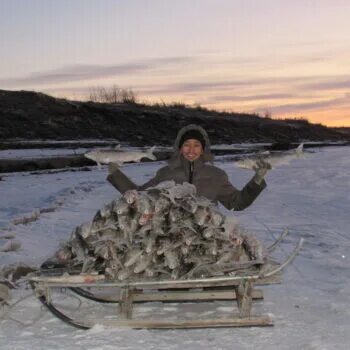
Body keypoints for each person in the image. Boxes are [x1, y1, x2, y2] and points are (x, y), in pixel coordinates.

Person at [107, 124, 269, 211]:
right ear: (180, 147)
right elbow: (140, 196)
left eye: (196, 145)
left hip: (208, 237)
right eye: (187, 145)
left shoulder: (217, 175)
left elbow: (236, 203)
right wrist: (115, 173)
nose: (191, 150)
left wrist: (257, 180)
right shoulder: (165, 173)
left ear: (203, 148)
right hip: (171, 238)